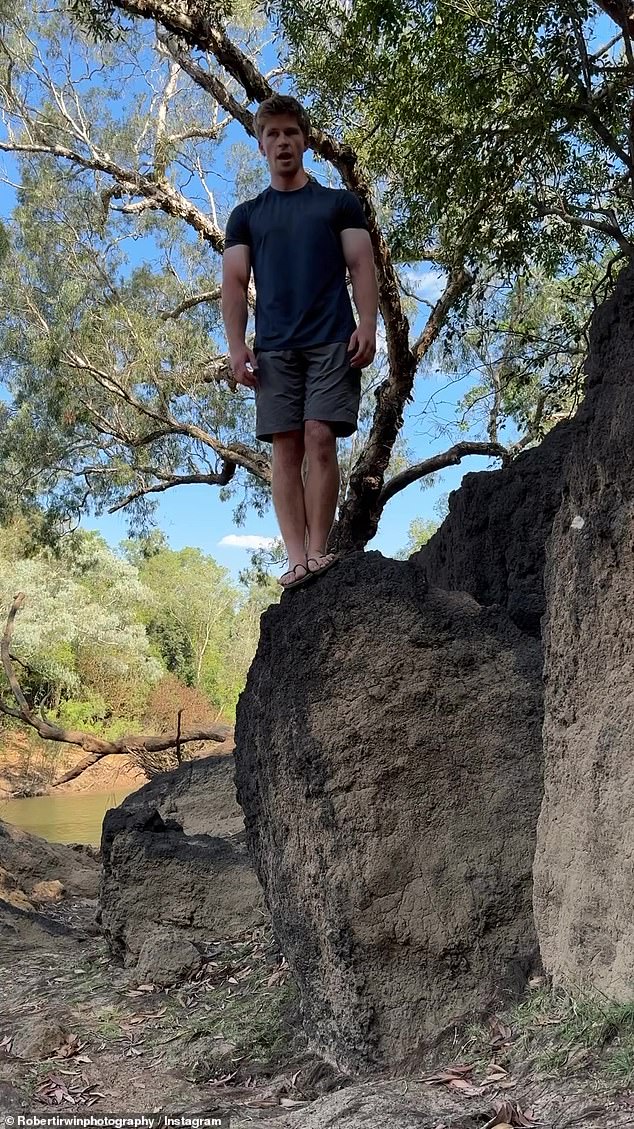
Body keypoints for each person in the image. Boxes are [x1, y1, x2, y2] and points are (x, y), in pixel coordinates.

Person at [222, 94, 378, 589]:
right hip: (274, 349)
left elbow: (361, 264)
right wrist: (236, 344)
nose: (283, 141)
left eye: (291, 132)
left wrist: (369, 323)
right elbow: (233, 281)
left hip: (332, 339)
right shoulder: (246, 215)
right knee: (285, 450)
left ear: (304, 140)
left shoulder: (338, 204)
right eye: (273, 134)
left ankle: (317, 553)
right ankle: (294, 559)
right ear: (261, 146)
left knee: (320, 437)